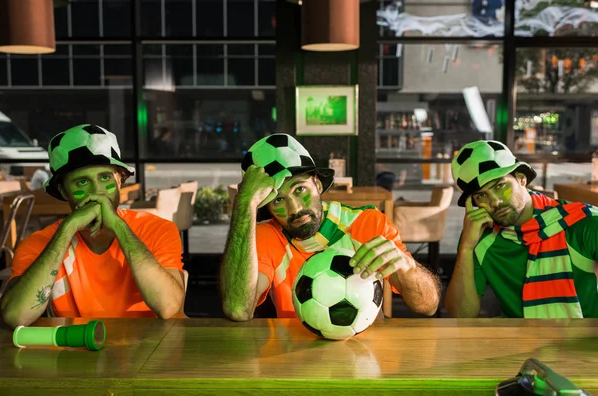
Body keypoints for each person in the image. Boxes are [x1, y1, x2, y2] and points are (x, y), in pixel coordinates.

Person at [220, 133, 440, 321]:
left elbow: (428, 305)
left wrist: (408, 268)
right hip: (293, 355)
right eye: (278, 200)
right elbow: (238, 309)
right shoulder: (267, 236)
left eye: (299, 190)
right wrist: (244, 204)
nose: (294, 209)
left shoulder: (366, 224)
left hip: (366, 354)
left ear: (317, 184)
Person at [0, 124, 185, 328]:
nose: (96, 192)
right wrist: (67, 230)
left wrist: (118, 226)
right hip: (77, 351)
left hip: (151, 350)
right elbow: (15, 316)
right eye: (81, 183)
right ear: (63, 191)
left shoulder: (157, 229)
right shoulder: (38, 243)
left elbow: (168, 307)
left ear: (120, 180)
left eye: (105, 178)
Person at [446, 140, 598, 318]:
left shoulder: (582, 222)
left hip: (585, 342)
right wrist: (466, 247)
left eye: (500, 186)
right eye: (481, 196)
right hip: (519, 342)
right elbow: (461, 315)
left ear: (521, 178)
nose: (495, 201)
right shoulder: (478, 238)